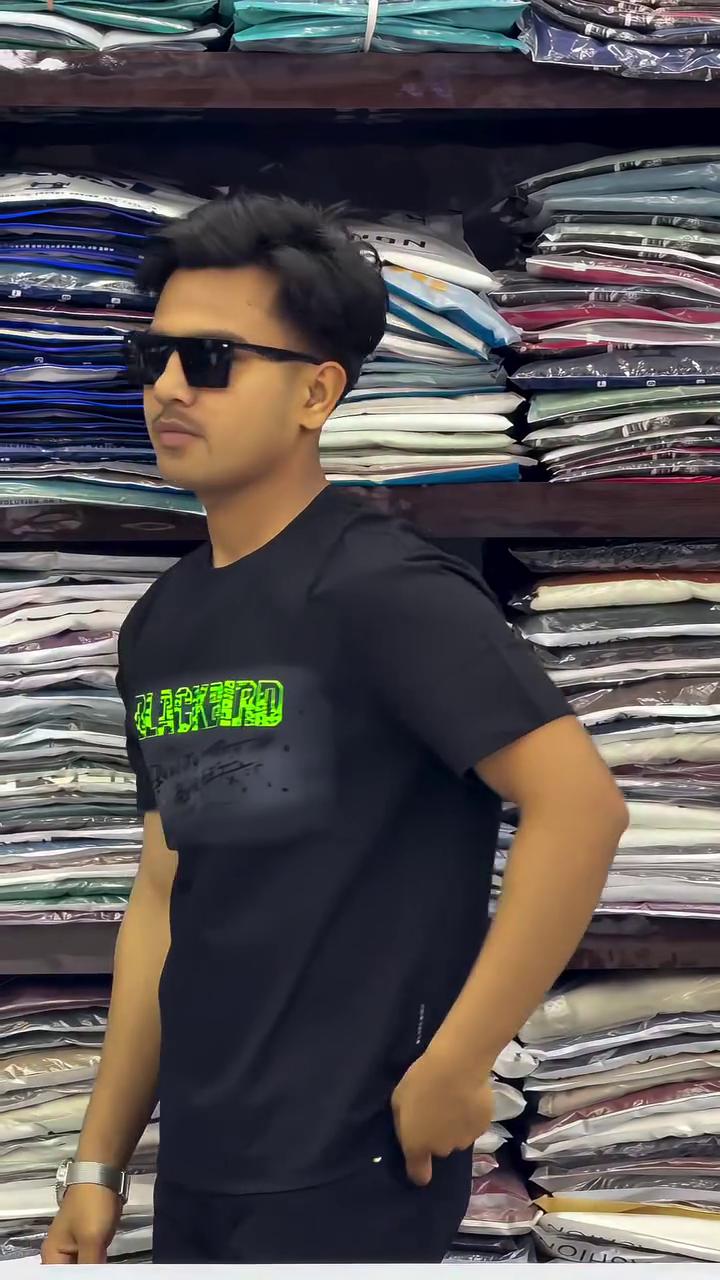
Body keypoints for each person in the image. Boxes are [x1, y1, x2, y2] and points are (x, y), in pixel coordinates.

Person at [42, 193, 628, 1266]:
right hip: (204, 1162)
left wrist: (458, 1062)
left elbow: (580, 808)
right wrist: (98, 1163)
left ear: (317, 391)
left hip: (354, 1159)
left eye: (211, 359)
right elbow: (165, 893)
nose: (168, 388)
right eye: (153, 357)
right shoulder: (162, 622)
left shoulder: (383, 587)